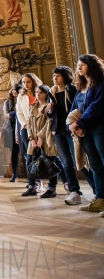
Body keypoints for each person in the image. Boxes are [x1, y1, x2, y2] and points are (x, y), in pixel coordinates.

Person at [48, 66, 94, 205]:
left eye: (58, 76)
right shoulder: (52, 92)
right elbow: (51, 115)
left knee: (79, 161)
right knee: (66, 163)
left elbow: (78, 108)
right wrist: (50, 111)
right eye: (54, 76)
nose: (55, 78)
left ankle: (98, 191)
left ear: (65, 76)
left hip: (71, 129)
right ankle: (75, 192)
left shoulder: (73, 89)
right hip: (58, 130)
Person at [69, 55, 104, 214]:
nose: (79, 68)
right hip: (86, 129)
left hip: (99, 126)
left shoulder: (101, 82)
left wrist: (79, 123)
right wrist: (71, 124)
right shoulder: (82, 85)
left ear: (92, 66)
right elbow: (74, 107)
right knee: (95, 164)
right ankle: (101, 198)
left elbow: (97, 106)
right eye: (78, 65)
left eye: (83, 65)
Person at [22, 85, 64, 197]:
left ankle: (52, 188)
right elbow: (29, 123)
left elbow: (49, 123)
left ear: (46, 94)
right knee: (29, 161)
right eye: (36, 92)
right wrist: (31, 138)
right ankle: (32, 187)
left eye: (41, 92)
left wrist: (40, 137)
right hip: (34, 140)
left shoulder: (49, 107)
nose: (38, 94)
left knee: (50, 163)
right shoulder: (33, 107)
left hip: (47, 139)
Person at [16, 73, 43, 185]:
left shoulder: (40, 93)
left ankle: (41, 179)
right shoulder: (21, 96)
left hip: (40, 127)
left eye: (28, 82)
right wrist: (25, 124)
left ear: (33, 82)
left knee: (41, 154)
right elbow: (19, 112)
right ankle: (33, 181)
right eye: (23, 82)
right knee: (29, 155)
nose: (25, 84)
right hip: (26, 128)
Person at [4, 84, 22, 181]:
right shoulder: (8, 102)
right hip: (11, 128)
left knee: (26, 152)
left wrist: (12, 114)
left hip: (22, 126)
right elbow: (6, 115)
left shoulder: (23, 100)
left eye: (16, 89)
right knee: (14, 152)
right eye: (13, 89)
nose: (14, 91)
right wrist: (14, 114)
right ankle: (14, 174)